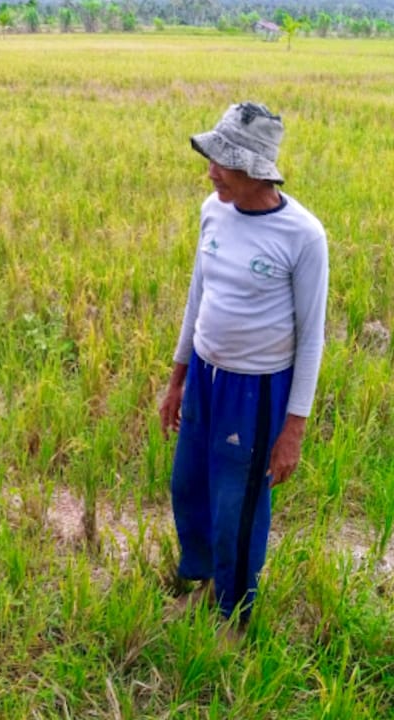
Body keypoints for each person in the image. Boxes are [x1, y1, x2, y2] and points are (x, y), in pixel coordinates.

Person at [159, 103, 328, 634]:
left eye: (222, 162)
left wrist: (293, 430)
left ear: (255, 169)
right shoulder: (214, 209)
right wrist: (177, 378)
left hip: (256, 392)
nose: (210, 171)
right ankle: (209, 583)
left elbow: (313, 338)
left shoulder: (303, 236)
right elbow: (197, 295)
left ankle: (234, 616)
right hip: (205, 379)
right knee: (189, 486)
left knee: (239, 505)